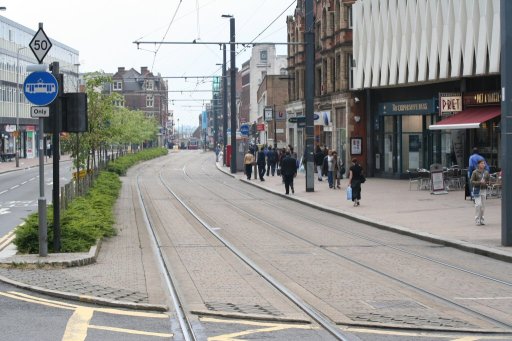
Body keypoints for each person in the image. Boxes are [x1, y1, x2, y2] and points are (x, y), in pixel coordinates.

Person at [471, 159, 490, 225]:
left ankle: (482, 219)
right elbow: (472, 181)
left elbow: (488, 181)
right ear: (478, 164)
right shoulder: (475, 172)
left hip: (483, 190)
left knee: (483, 206)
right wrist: (479, 182)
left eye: (484, 163)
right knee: (478, 205)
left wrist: (487, 183)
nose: (483, 165)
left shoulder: (486, 172)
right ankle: (477, 220)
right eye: (482, 163)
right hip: (477, 189)